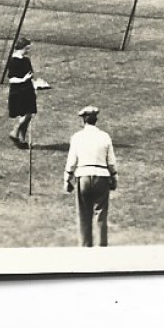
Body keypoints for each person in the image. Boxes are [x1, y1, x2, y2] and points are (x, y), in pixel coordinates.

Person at [64, 105, 119, 246]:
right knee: (101, 216)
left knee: (84, 216)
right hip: (101, 177)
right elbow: (111, 162)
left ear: (83, 120)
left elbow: (71, 161)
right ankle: (102, 249)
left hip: (83, 177)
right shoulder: (104, 136)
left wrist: (67, 179)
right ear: (96, 120)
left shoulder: (77, 137)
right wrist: (114, 178)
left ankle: (85, 248)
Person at [4, 38, 39, 147]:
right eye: (27, 48)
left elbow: (30, 75)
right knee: (26, 114)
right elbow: (12, 79)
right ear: (21, 48)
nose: (28, 51)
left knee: (28, 115)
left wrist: (35, 85)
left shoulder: (26, 60)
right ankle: (14, 132)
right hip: (19, 92)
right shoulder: (13, 61)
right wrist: (23, 80)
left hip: (28, 90)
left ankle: (22, 140)